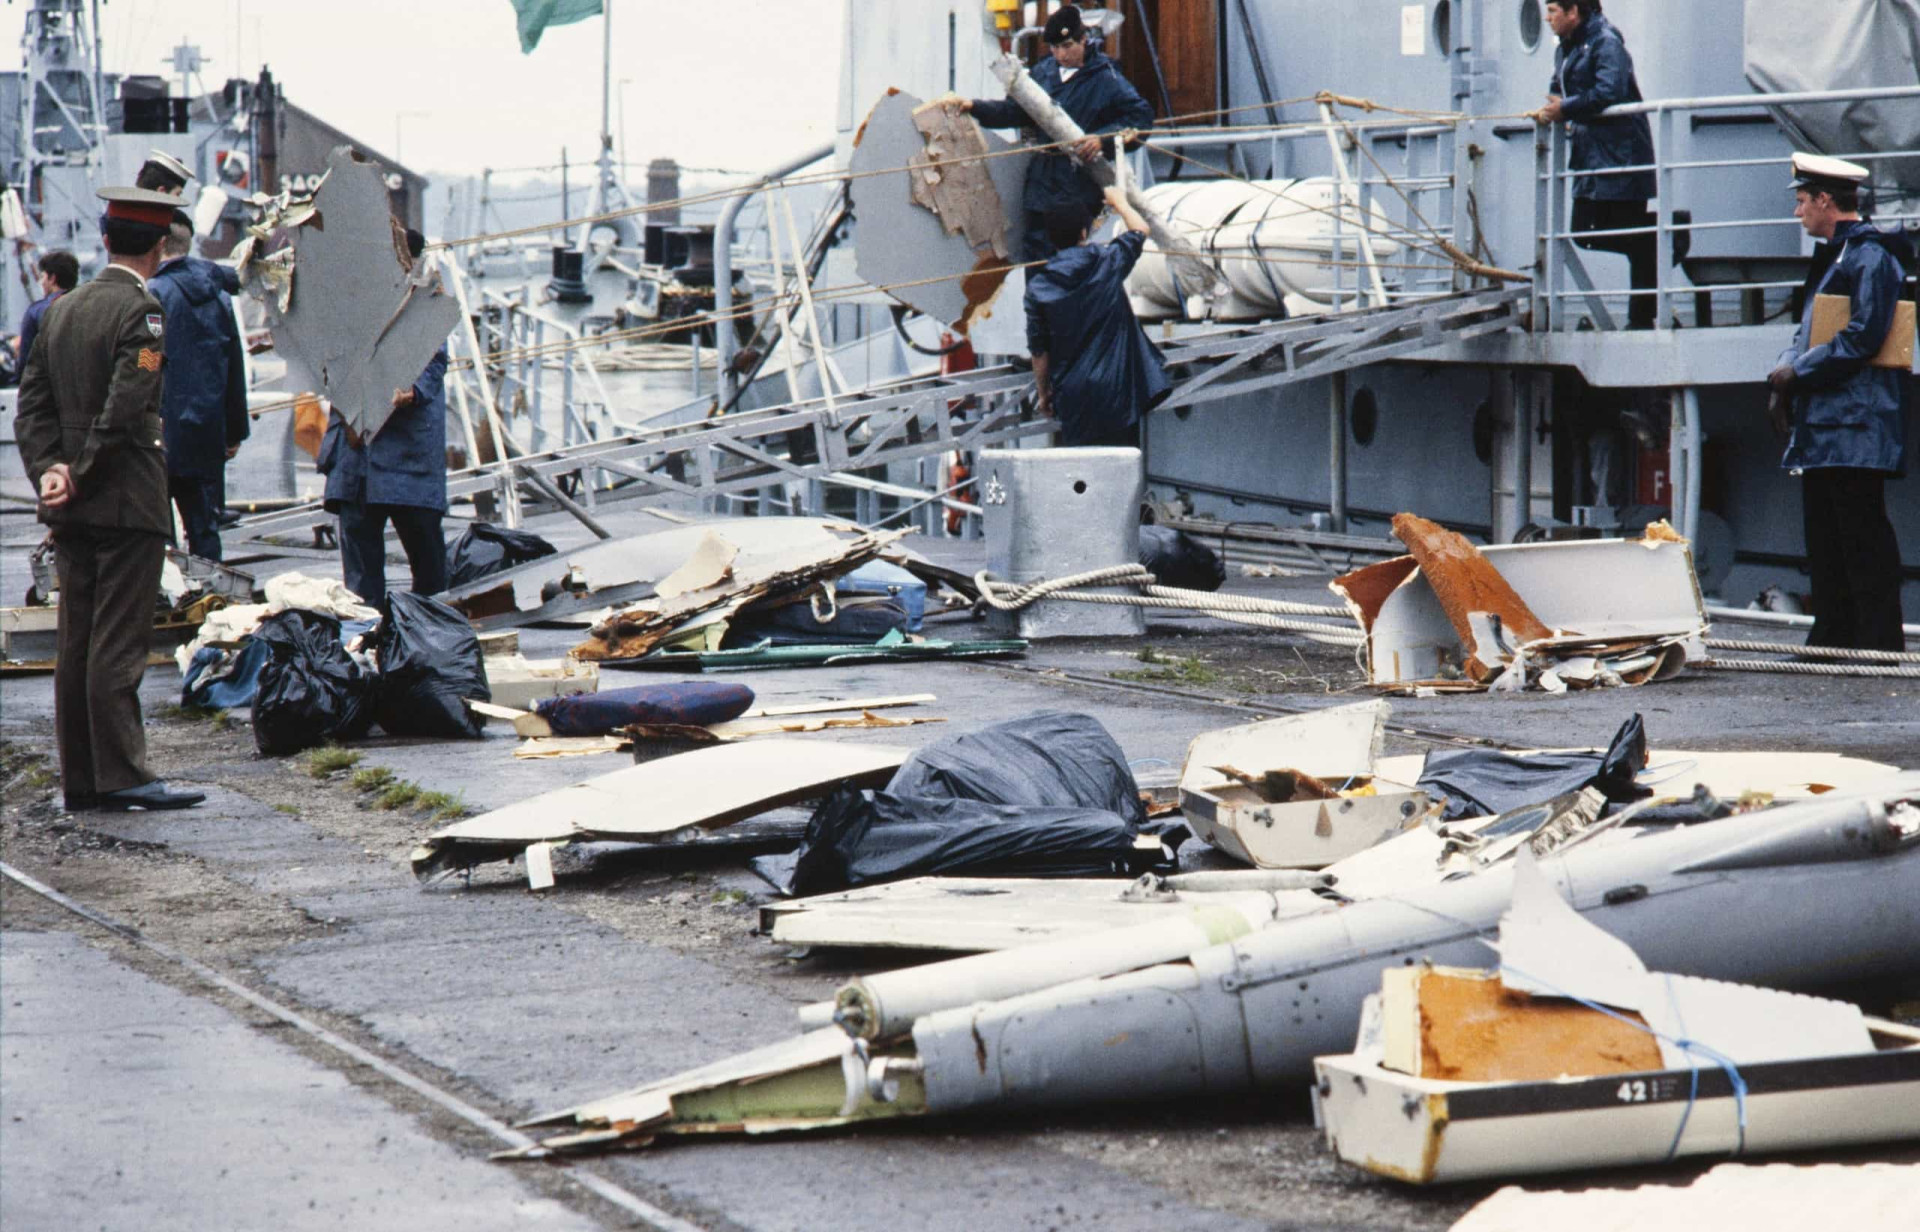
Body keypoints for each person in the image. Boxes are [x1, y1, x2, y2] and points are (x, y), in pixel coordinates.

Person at [12, 187, 207, 812]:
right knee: (118, 644)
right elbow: (126, 406)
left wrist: (50, 471)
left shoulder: (62, 310)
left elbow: (32, 404)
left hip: (71, 506)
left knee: (77, 643)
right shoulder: (142, 312)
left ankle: (84, 779)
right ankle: (124, 774)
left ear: (105, 240)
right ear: (159, 244)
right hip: (124, 499)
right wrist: (84, 471)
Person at [1768, 152, 1913, 652]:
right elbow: (1807, 330)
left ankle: (1877, 641)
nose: (1798, 211)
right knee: (1827, 536)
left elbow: (1863, 336)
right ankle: (1833, 635)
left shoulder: (1870, 257)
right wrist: (1785, 374)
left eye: (1803, 201)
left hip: (1856, 423)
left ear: (1827, 200)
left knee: (1861, 535)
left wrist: (1796, 372)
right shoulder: (1838, 257)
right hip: (1829, 423)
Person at [316, 228, 451, 608]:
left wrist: (411, 391)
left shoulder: (427, 303)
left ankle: (430, 643)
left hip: (408, 457)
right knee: (360, 582)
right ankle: (366, 645)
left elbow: (434, 362)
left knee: (428, 570)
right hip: (357, 460)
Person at [959, 6, 1153, 262]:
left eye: (1068, 45)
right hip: (1042, 184)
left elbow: (1140, 118)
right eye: (1054, 47)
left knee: (1072, 263)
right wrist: (975, 108)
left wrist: (1102, 139)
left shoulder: (1107, 77)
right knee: (1036, 262)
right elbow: (1015, 112)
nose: (1061, 54)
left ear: (1083, 39)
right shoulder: (1043, 72)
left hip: (1078, 186)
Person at [1540, 0, 1662, 330]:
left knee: (1630, 233)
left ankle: (1641, 317)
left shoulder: (1607, 43)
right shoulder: (1567, 48)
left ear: (1573, 12)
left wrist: (1566, 108)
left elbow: (1610, 90)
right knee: (1584, 232)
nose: (1547, 18)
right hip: (1590, 156)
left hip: (1621, 156)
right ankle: (1662, 236)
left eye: (1552, 10)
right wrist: (1558, 105)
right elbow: (1559, 86)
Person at [1024, 184, 1170, 448]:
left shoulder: (1037, 289)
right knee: (1124, 469)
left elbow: (1039, 351)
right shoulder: (1107, 262)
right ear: (1084, 231)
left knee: (1082, 476)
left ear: (1051, 237)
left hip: (1073, 395)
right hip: (1117, 390)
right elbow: (1140, 230)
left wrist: (1044, 392)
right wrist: (1120, 203)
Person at [148, 210, 249, 560]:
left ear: (158, 244)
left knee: (158, 534)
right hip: (207, 432)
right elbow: (232, 363)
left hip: (159, 431)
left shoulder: (153, 295)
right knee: (205, 530)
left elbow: (147, 359)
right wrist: (234, 430)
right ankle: (212, 601)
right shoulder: (218, 295)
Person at [17, 250, 79, 370]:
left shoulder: (36, 312)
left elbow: (26, 363)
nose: (42, 282)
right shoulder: (90, 306)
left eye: (43, 277)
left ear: (52, 279)